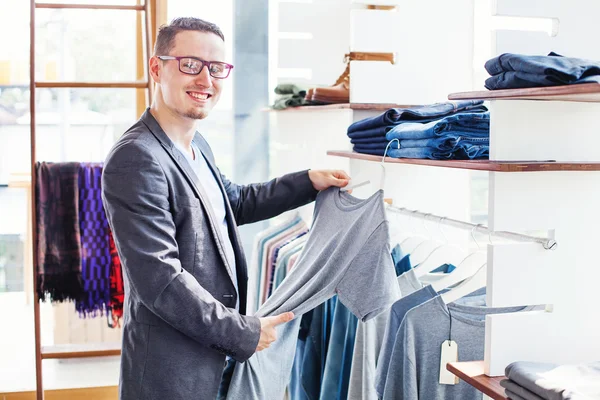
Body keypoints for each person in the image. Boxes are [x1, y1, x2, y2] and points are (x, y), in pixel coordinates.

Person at [101, 17, 350, 400]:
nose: (206, 80)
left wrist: (309, 181)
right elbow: (161, 281)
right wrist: (243, 332)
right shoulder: (137, 157)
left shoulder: (196, 146)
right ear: (156, 68)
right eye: (190, 65)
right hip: (173, 373)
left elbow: (234, 202)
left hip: (215, 360)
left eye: (216, 68)